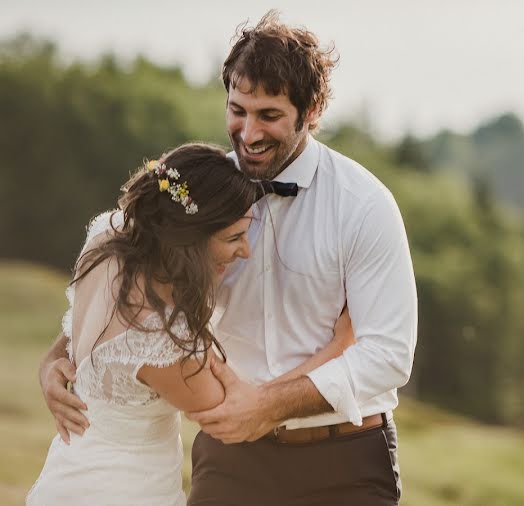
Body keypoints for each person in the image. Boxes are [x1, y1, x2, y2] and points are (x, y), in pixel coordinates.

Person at [42, 10, 418, 506]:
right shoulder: (196, 195)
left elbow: (390, 355)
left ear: (311, 112)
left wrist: (268, 404)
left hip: (343, 457)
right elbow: (127, 281)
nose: (248, 132)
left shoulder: (364, 205)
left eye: (269, 115)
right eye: (237, 109)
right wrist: (57, 358)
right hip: (230, 459)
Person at [29, 143, 356, 505]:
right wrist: (340, 347)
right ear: (190, 237)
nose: (246, 251)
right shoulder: (163, 342)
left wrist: (50, 363)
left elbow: (86, 321)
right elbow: (239, 413)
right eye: (234, 237)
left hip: (64, 478)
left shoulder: (107, 240)